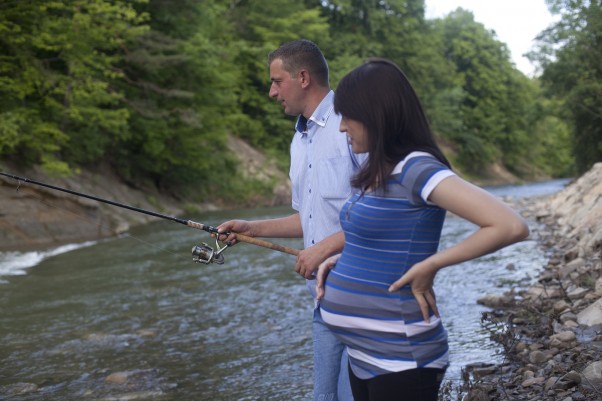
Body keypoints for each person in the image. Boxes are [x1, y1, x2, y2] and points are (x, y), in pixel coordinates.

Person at [314, 58, 530, 401]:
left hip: (401, 359)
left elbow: (510, 225)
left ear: (377, 114)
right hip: (364, 356)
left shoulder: (417, 168)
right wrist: (344, 257)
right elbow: (387, 237)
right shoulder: (378, 170)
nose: (342, 128)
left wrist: (432, 265)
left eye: (348, 117)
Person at [217, 39, 364, 401]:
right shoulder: (298, 141)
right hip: (323, 301)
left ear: (302, 78)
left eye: (276, 81)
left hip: (365, 299)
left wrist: (324, 249)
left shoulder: (354, 125)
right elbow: (307, 218)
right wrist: (253, 228)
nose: (270, 92)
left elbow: (382, 210)